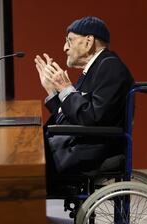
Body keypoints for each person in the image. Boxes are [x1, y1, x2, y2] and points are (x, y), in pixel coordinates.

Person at [34, 16, 134, 179]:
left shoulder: (110, 67)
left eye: (70, 41)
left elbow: (92, 118)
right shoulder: (96, 68)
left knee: (25, 160)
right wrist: (52, 91)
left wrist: (66, 89)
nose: (65, 47)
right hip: (79, 142)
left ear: (88, 42)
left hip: (91, 149)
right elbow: (73, 116)